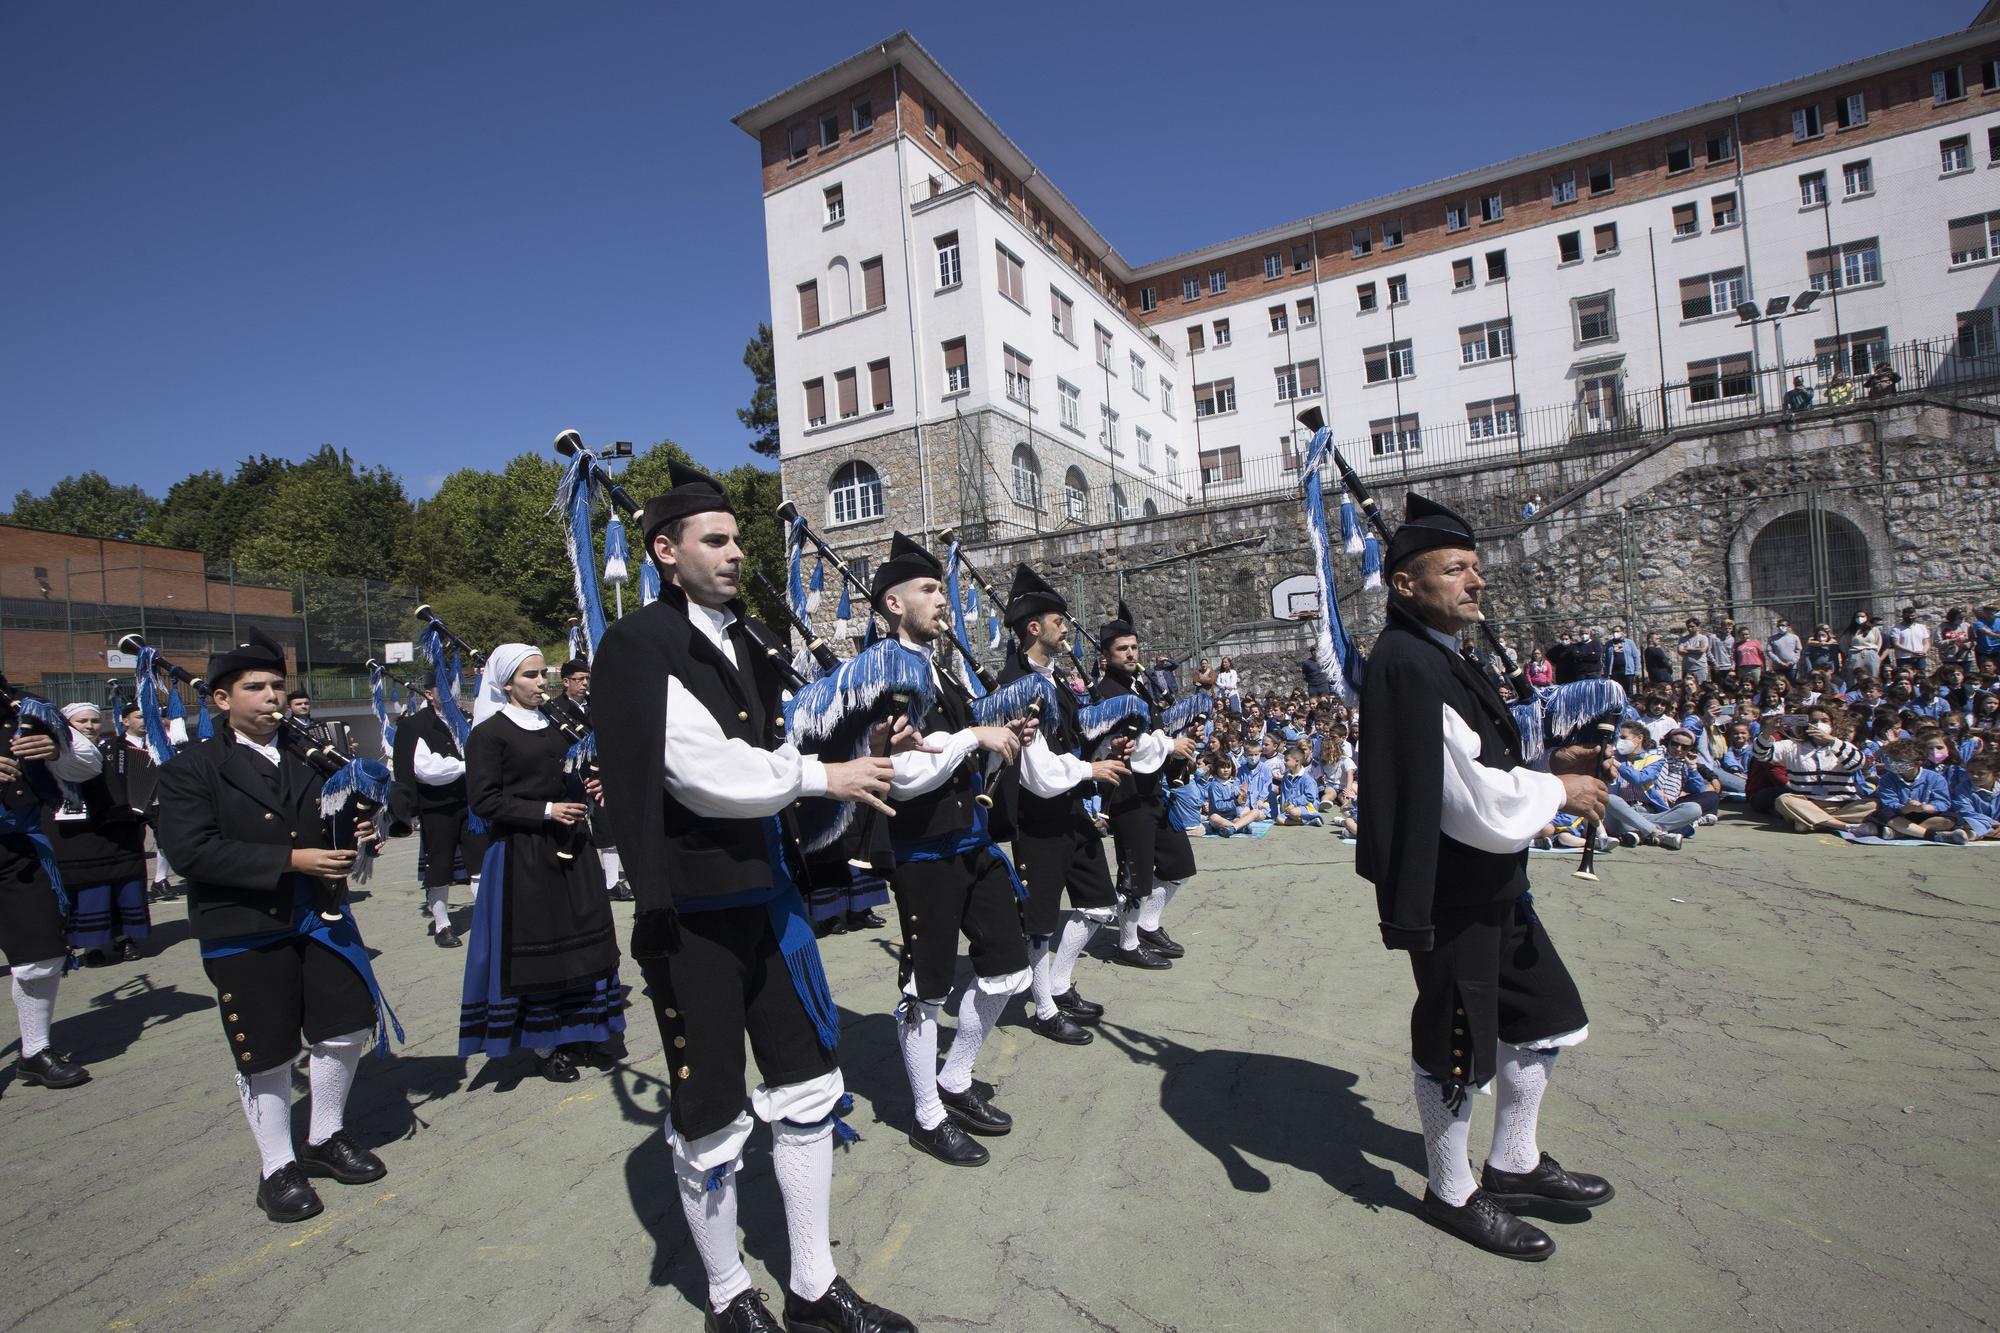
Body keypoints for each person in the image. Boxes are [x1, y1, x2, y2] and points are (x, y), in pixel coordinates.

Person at [592, 463, 915, 1332]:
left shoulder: (747, 639)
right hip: (689, 916)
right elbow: (706, 774)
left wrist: (866, 736)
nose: (737, 554)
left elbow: (792, 734)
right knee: (712, 1114)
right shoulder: (637, 646)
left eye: (738, 539)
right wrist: (824, 773)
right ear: (664, 552)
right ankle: (732, 1294)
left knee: (810, 1087)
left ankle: (812, 1285)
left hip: (767, 903)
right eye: (718, 540)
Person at [1356, 492, 1614, 1261]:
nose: (1475, 582)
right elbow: (1463, 797)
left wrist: (1547, 764)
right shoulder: (1406, 662)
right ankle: (1450, 1189)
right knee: (1458, 1038)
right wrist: (1558, 792)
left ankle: (1512, 1163)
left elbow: (1483, 759)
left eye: (1476, 568)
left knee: (1543, 1013)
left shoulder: (1441, 653)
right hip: (1450, 887)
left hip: (1492, 881)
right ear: (1405, 583)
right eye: (1456, 569)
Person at [156, 627, 396, 1225]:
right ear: (220, 699)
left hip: (320, 914)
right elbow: (192, 852)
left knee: (344, 1026)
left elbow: (340, 817)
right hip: (245, 924)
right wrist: (293, 861)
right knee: (265, 1050)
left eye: (277, 687)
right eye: (254, 687)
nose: (271, 697)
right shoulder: (194, 767)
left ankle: (325, 1135)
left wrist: (360, 836)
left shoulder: (309, 757)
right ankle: (276, 1167)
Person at [870, 533, 1035, 1169]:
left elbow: (957, 748)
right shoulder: (882, 674)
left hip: (972, 842)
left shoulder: (937, 668)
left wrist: (998, 735)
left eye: (942, 588)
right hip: (923, 855)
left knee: (1005, 969)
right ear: (893, 604)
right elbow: (901, 776)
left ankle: (956, 1077)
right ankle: (926, 1115)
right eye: (930, 590)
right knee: (926, 988)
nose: (943, 601)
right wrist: (974, 734)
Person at [458, 645, 627, 1084]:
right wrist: (547, 810)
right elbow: (484, 799)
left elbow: (577, 769)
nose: (541, 683)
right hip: (524, 854)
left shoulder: (558, 724)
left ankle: (583, 1030)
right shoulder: (489, 733)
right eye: (531, 676)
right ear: (507, 683)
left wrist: (593, 783)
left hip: (573, 846)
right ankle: (545, 1045)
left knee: (583, 941)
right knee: (541, 951)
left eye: (542, 675)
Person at [997, 565, 1130, 1047]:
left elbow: (1068, 741)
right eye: (1059, 620)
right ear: (1034, 627)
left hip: (1070, 812)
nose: (1066, 628)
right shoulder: (1015, 684)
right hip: (1037, 820)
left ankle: (1058, 982)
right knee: (1040, 923)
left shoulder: (1053, 681)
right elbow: (1035, 773)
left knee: (1098, 903)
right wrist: (1088, 771)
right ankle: (1045, 1007)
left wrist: (1103, 753)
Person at [3, 686, 104, 1090]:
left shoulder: (26, 707)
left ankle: (35, 1051)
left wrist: (56, 749)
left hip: (17, 850)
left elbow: (89, 763)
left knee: (41, 955)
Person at [1091, 603, 1201, 969]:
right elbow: (1127, 744)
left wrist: (1180, 731)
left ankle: (1148, 924)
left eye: (1134, 647)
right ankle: (1127, 943)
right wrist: (1172, 745)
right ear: (1106, 656)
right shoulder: (1105, 693)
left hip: (1154, 791)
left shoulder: (1140, 685)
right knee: (1135, 873)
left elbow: (1151, 730)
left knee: (1178, 863)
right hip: (1127, 794)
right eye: (1122, 649)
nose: (1131, 654)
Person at [50, 703, 150, 966]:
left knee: (124, 886)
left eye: (94, 721)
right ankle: (90, 945)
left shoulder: (118, 750)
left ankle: (125, 939)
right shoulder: (56, 753)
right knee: (89, 890)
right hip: (77, 835)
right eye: (82, 721)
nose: (89, 726)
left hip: (119, 832)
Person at [392, 682, 481, 948]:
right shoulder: (415, 725)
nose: (451, 694)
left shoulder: (468, 721)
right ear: (429, 694)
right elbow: (426, 770)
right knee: (439, 865)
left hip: (470, 803)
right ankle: (442, 925)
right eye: (444, 688)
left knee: (480, 862)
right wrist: (469, 765)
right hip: (437, 806)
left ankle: (487, 917)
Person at [1754, 709, 1874, 833]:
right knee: (1783, 800)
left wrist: (1832, 741)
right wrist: (1768, 731)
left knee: (1873, 805)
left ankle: (1814, 821)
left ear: (1833, 724)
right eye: (1814, 721)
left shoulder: (1843, 746)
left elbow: (1859, 763)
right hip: (1806, 803)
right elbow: (1760, 754)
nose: (1818, 724)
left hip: (1842, 805)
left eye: (1824, 721)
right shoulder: (1791, 746)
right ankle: (1844, 826)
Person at [1844, 612, 1883, 687]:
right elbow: (1845, 643)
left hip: (1871, 653)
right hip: (1855, 654)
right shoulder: (1850, 630)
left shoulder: (1873, 629)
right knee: (1854, 677)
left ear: (1867, 617)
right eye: (1858, 616)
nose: (1860, 618)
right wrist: (1849, 654)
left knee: (1873, 676)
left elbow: (1878, 642)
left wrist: (1875, 653)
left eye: (1862, 616)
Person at [1890, 607, 1931, 674]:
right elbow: (1896, 644)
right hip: (1903, 658)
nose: (1910, 618)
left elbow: (1926, 642)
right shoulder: (1896, 628)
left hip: (1919, 658)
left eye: (1912, 616)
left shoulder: (1921, 627)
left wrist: (1923, 651)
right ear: (1903, 616)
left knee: (1920, 676)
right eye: (1908, 616)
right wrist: (1912, 652)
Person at [1605, 625, 1640, 694]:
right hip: (1615, 672)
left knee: (1628, 691)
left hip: (1628, 671)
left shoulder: (1629, 643)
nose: (1615, 633)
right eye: (1614, 631)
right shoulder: (1609, 643)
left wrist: (1637, 670)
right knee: (1617, 692)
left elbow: (1636, 656)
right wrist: (1607, 672)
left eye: (1617, 631)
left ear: (1622, 632)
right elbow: (1606, 658)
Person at [1677, 620, 1711, 684]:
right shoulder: (1683, 639)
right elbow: (1680, 651)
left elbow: (1702, 650)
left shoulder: (1703, 638)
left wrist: (1687, 649)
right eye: (1688, 627)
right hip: (1687, 668)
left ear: (1697, 627)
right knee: (1687, 686)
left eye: (1692, 626)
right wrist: (1696, 649)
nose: (1690, 629)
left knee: (1701, 686)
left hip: (1700, 668)